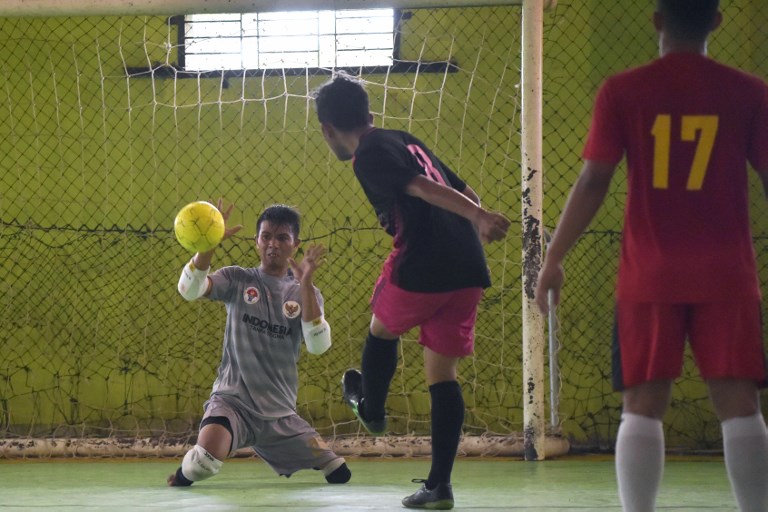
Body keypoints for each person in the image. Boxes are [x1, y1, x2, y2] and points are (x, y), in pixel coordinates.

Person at [534, 1, 768, 511]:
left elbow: (594, 179)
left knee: (641, 406)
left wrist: (553, 256)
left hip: (649, 274)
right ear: (717, 21)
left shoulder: (623, 90)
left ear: (657, 20)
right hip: (727, 274)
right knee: (739, 405)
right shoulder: (750, 91)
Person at [312, 73, 510, 510]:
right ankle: (439, 486)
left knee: (380, 329)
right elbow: (460, 187)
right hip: (467, 267)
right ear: (369, 112)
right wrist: (475, 222)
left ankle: (372, 409)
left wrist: (478, 218)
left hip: (423, 261)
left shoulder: (367, 155)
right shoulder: (405, 138)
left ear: (328, 129)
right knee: (443, 373)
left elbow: (421, 187)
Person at [167, 201, 351, 487]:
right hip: (233, 404)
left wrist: (305, 286)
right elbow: (189, 290)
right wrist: (208, 245)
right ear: (256, 242)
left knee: (339, 473)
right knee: (202, 464)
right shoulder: (237, 279)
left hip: (280, 415)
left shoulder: (306, 292)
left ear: (295, 244)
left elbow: (318, 347)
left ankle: (283, 445)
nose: (273, 244)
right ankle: (181, 474)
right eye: (266, 236)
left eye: (282, 238)